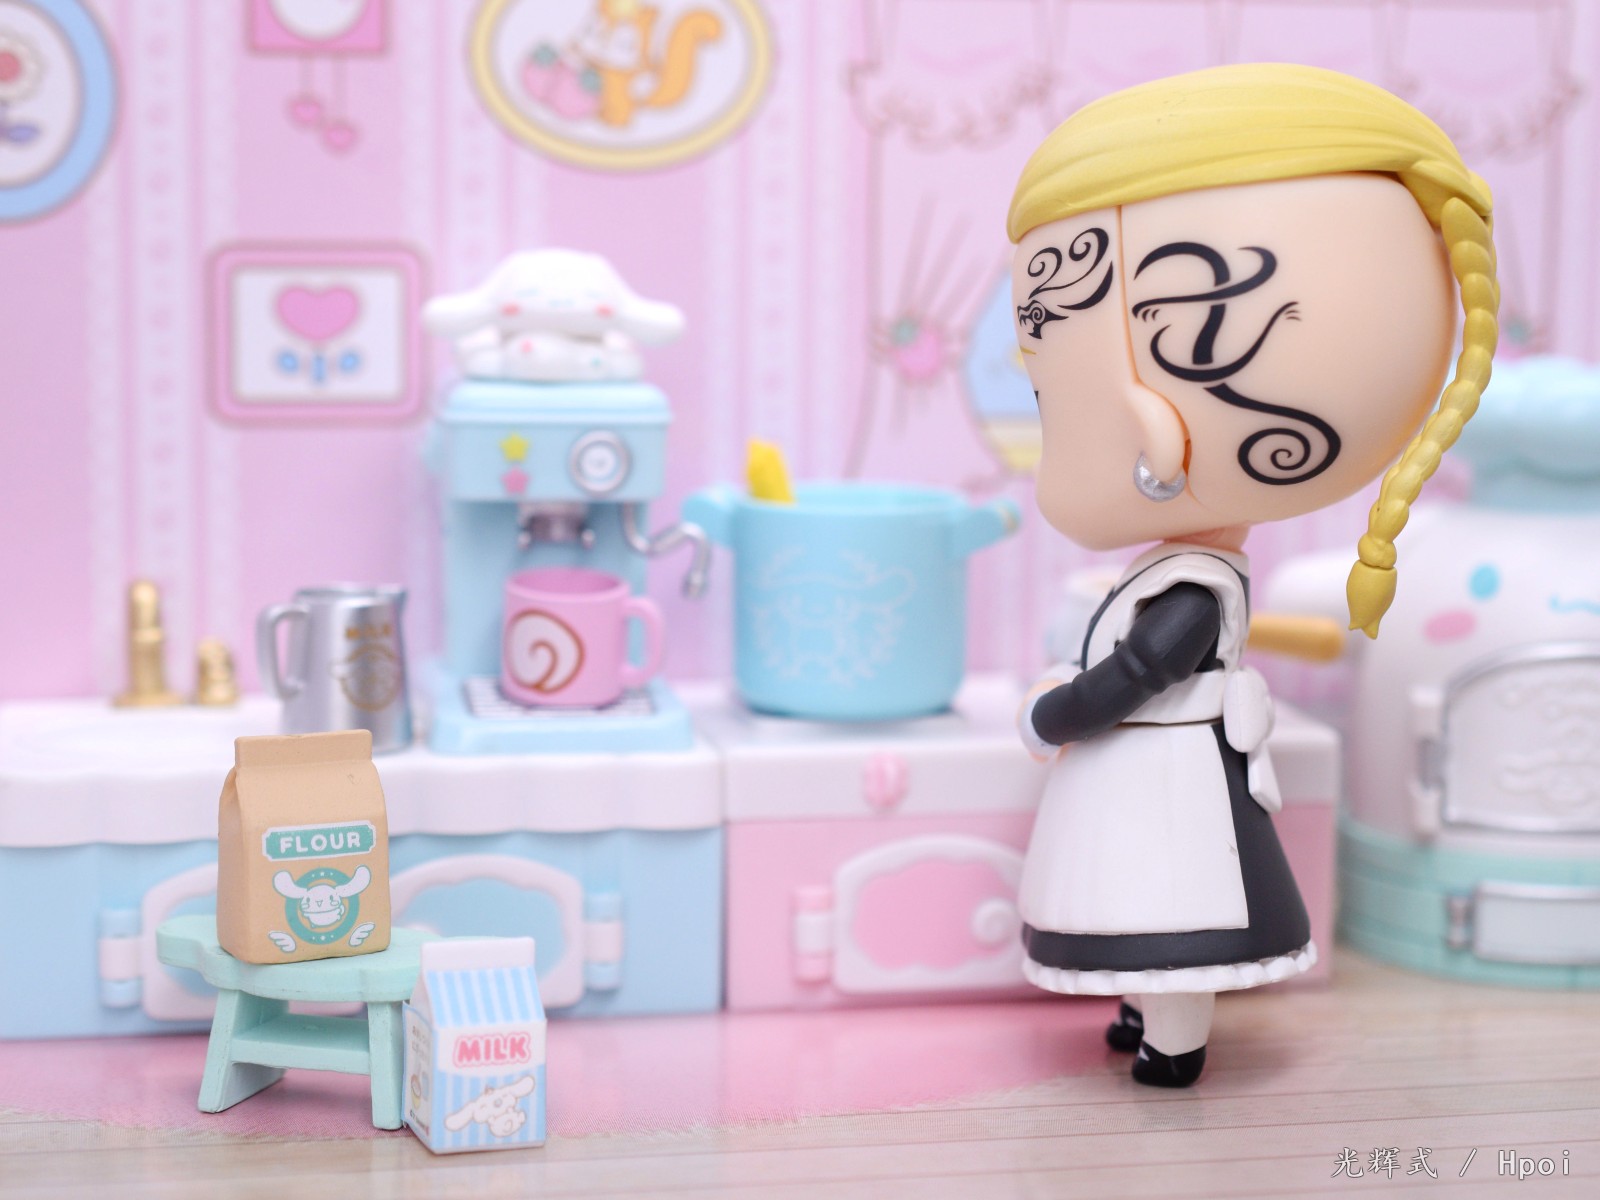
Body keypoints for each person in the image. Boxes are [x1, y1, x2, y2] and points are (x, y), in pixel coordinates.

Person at [1007, 63, 1497, 1087]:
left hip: (1167, 777)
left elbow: (1137, 673)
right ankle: (1142, 1009)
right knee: (1132, 900)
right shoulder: (1183, 567)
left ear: (1155, 436)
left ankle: (1172, 1039)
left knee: (1167, 908)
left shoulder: (1191, 591)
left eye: (1050, 403)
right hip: (1143, 775)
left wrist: (1055, 714)